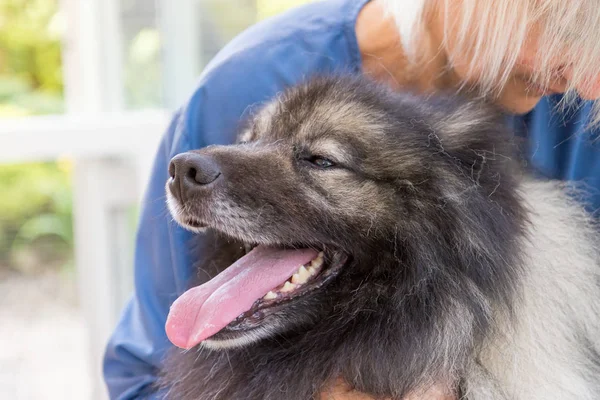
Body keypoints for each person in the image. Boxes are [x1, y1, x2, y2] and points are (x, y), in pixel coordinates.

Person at [102, 0, 600, 399]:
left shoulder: (581, 113)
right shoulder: (252, 77)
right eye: (564, 29)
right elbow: (143, 378)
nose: (586, 78)